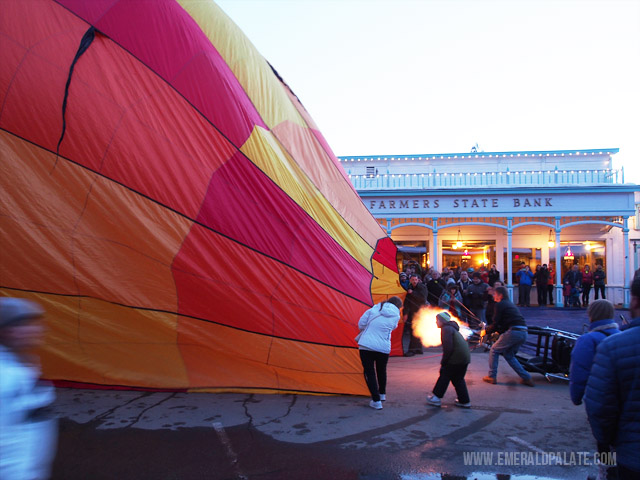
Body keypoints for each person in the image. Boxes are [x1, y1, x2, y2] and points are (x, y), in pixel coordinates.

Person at [584, 277, 640, 479]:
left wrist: (608, 441)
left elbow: (600, 406)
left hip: (631, 456)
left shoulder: (614, 346)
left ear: (634, 301)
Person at [0, 298, 57, 479]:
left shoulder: (24, 364)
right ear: (7, 331)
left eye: (36, 323)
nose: (38, 329)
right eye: (27, 324)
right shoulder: (6, 378)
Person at [569, 300, 619, 406]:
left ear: (591, 315)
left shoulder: (587, 340)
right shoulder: (623, 336)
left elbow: (580, 370)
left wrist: (576, 397)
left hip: (599, 396)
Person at [356, 296, 403, 410]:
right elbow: (393, 327)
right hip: (383, 347)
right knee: (381, 370)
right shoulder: (396, 315)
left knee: (369, 372)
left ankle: (376, 400)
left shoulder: (373, 309)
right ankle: (382, 394)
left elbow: (360, 324)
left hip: (366, 345)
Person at [482, 286, 534, 386]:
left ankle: (492, 376)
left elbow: (496, 322)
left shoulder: (500, 304)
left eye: (495, 294)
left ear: (500, 295)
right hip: (523, 332)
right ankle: (526, 377)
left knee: (494, 350)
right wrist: (497, 331)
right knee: (509, 355)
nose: (493, 296)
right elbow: (504, 323)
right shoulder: (509, 304)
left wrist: (486, 331)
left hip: (514, 331)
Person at [427, 312, 471, 408]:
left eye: (437, 320)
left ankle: (436, 398)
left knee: (445, 375)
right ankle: (464, 401)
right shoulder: (452, 328)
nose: (436, 322)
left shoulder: (446, 329)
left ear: (442, 321)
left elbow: (448, 348)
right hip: (465, 357)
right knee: (458, 378)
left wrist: (444, 362)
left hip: (456, 357)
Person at [402, 274, 428, 356]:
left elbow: (423, 298)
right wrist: (405, 313)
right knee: (414, 330)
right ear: (410, 280)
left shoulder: (422, 287)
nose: (414, 281)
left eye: (415, 279)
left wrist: (413, 293)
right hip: (411, 312)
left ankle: (412, 350)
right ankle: (418, 349)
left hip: (419, 312)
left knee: (414, 331)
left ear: (418, 280)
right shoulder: (409, 288)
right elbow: (406, 302)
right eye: (412, 279)